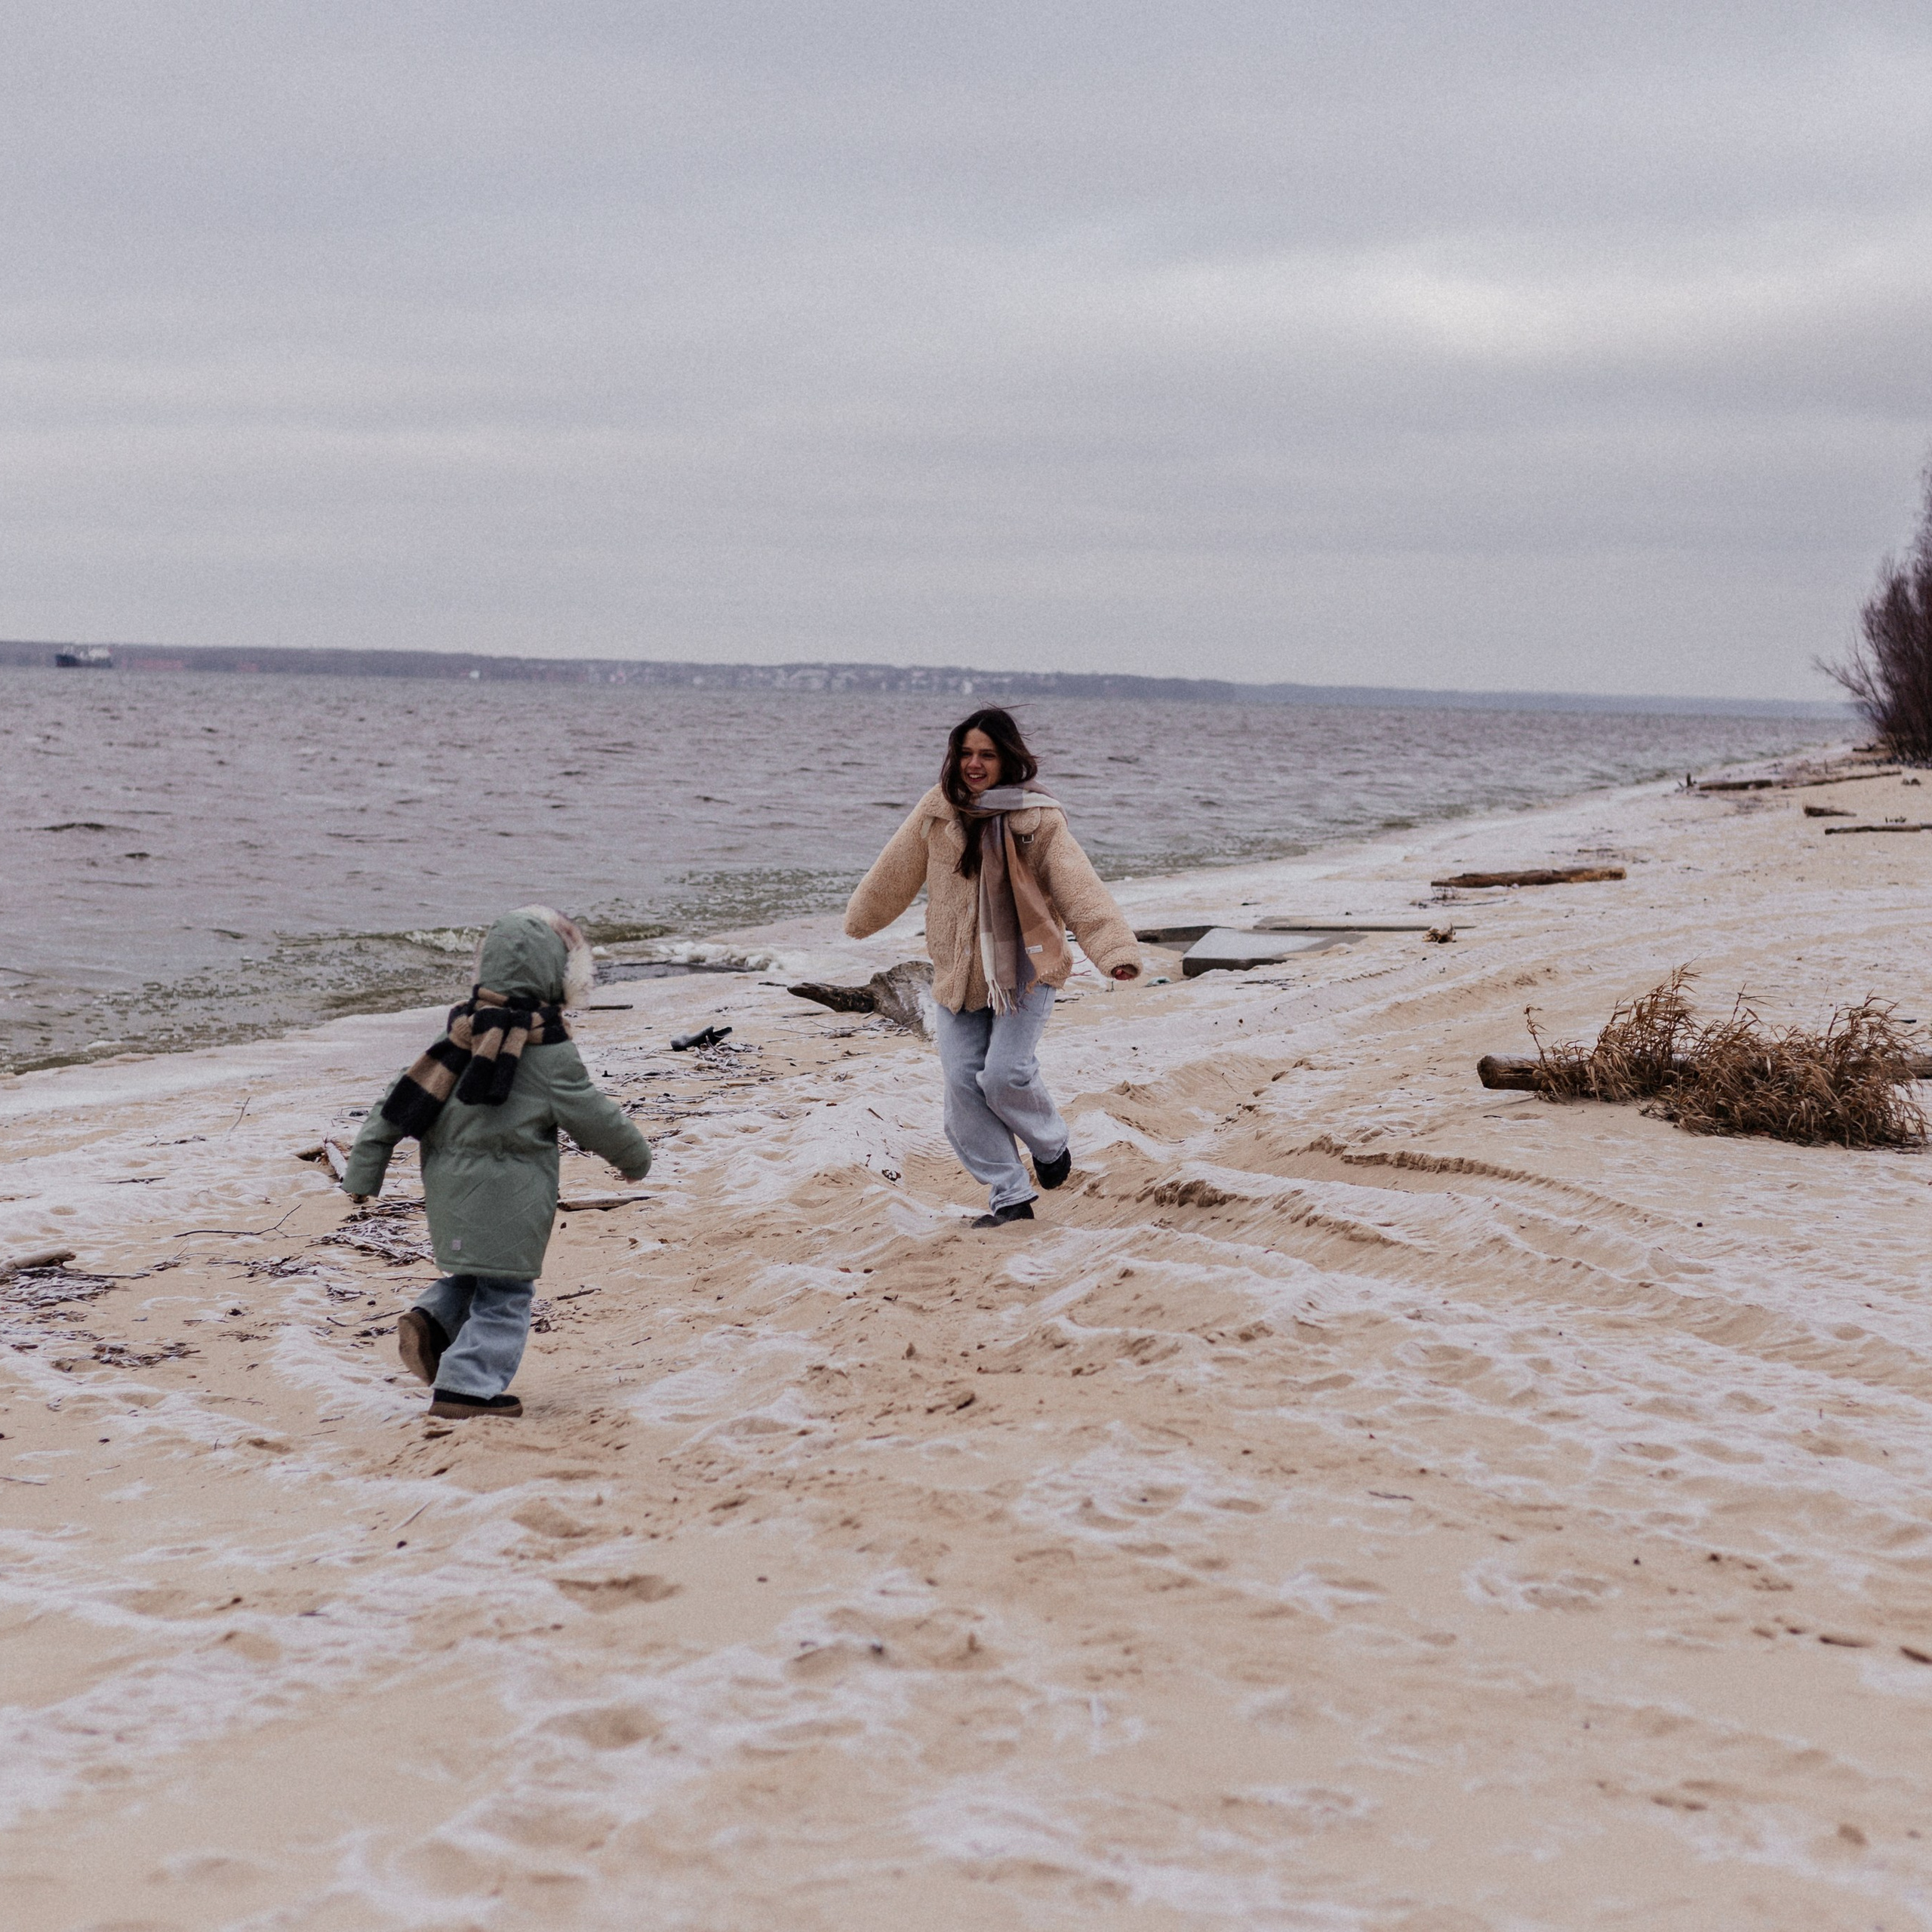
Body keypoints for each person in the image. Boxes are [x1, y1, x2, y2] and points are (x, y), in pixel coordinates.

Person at [340, 905, 651, 1418]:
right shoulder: (548, 1052)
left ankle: (433, 1319)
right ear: (560, 975)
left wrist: (363, 1172)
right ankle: (466, 1387)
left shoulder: (455, 1038)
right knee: (506, 1296)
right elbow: (593, 1116)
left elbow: (393, 1108)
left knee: (472, 1276)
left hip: (448, 1195)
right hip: (514, 1201)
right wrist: (634, 1157)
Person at [844, 708, 1140, 1227]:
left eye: (986, 754)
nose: (974, 765)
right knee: (963, 1084)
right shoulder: (937, 811)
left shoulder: (1037, 817)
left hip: (1026, 967)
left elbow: (1080, 889)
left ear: (1008, 759)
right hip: (958, 971)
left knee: (1003, 1075)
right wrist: (861, 920)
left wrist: (1114, 952)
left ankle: (1050, 1147)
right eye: (966, 754)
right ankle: (1010, 1198)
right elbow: (893, 872)